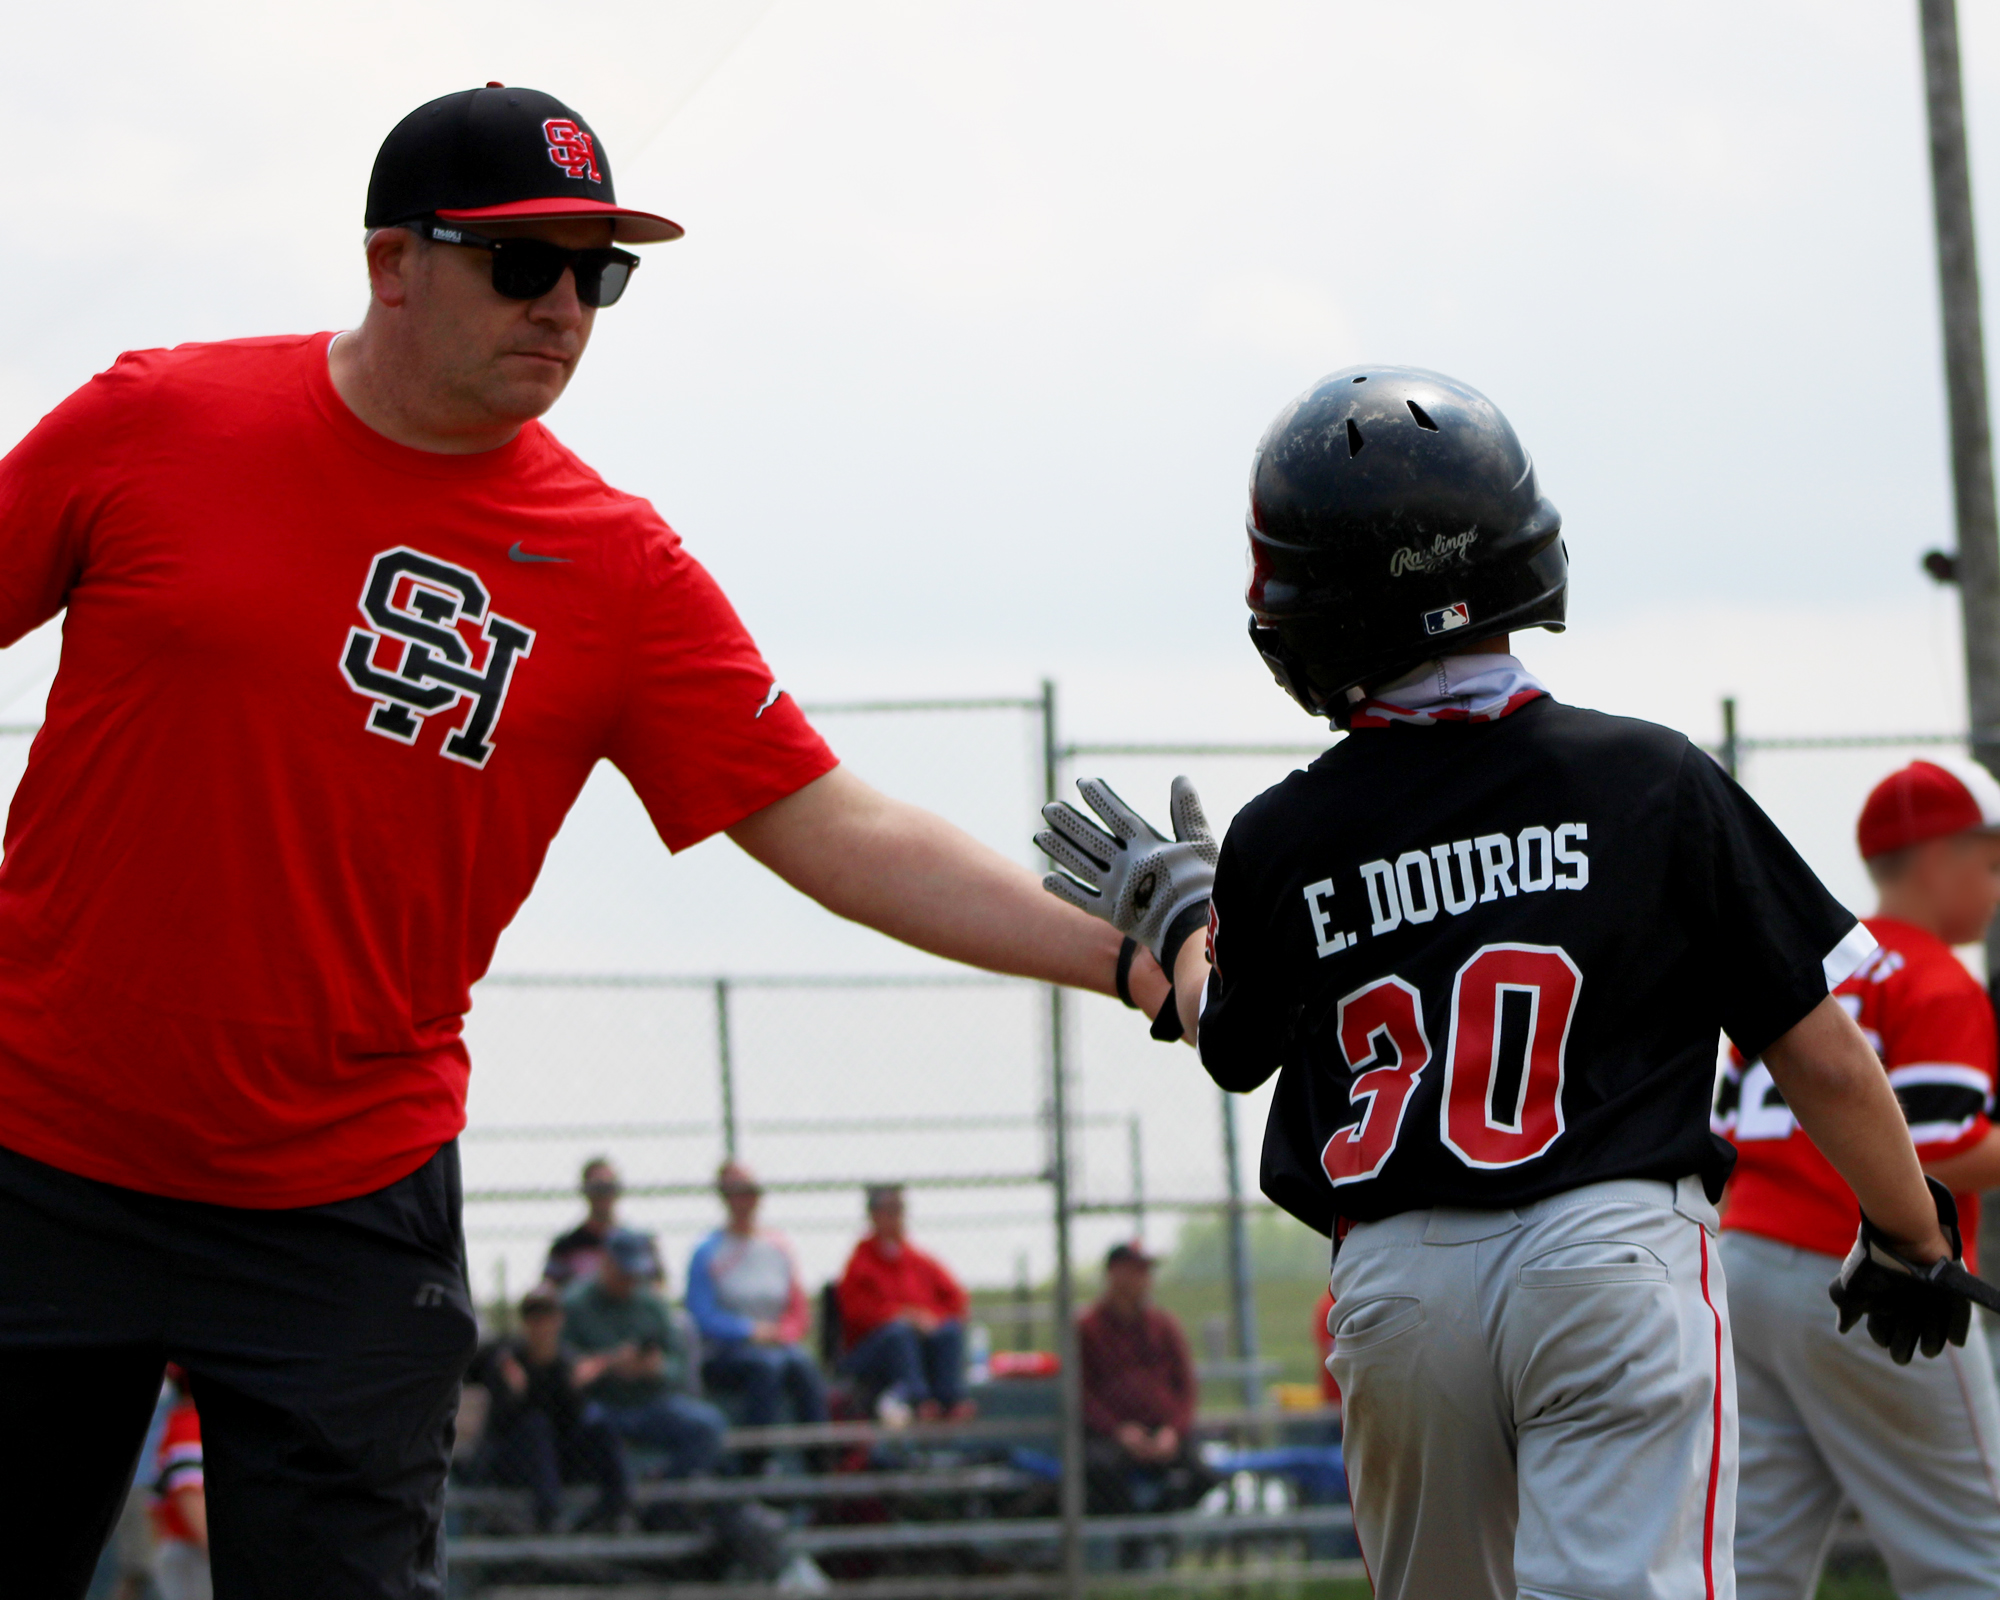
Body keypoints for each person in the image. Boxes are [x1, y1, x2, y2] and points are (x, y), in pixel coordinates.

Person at [3, 83, 1161, 1596]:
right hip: (41, 1148)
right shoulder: (159, 419)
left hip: (339, 1199)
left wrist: (1138, 958)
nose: (564, 304)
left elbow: (832, 821)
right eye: (521, 262)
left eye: (598, 273)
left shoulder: (610, 564)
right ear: (390, 262)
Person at [1035, 365, 1980, 1600]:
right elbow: (1818, 1050)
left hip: (1395, 1287)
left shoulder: (1283, 834)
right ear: (1523, 550)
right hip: (1610, 1250)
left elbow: (1228, 1040)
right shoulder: (1645, 778)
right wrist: (1907, 1237)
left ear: (1300, 616)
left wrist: (1179, 913)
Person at [1715, 758, 2000, 1599]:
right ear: (1936, 859)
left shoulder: (1817, 972)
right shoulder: (1938, 979)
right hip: (1876, 1272)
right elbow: (1936, 1148)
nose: (1995, 886)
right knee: (1974, 1556)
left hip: (1746, 1271)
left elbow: (1730, 1128)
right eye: (1989, 864)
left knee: (1755, 1559)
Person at [562, 1229, 729, 1476]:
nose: (630, 1280)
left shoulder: (652, 1304)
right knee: (582, 1427)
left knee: (707, 1424)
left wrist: (655, 1368)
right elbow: (561, 1366)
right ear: (606, 1263)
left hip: (648, 1403)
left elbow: (678, 1365)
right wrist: (610, 1363)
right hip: (602, 1404)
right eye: (624, 1272)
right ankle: (608, 1504)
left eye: (635, 1273)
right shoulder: (574, 1304)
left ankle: (661, 1496)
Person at [468, 1282, 631, 1532]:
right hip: (514, 1462)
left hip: (559, 1460)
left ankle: (616, 1509)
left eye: (547, 1317)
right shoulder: (508, 1361)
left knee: (601, 1423)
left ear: (559, 1320)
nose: (541, 1325)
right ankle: (548, 1517)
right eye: (534, 1318)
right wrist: (514, 1393)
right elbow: (501, 1426)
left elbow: (570, 1422)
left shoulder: (567, 1364)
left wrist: (575, 1388)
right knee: (536, 1427)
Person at [687, 1161, 828, 1427]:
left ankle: (821, 1455)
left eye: (751, 1191)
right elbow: (701, 1314)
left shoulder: (778, 1247)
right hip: (727, 1350)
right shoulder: (707, 1251)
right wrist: (749, 1330)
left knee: (804, 1365)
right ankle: (758, 1458)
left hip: (778, 1344)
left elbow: (798, 1308)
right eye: (737, 1192)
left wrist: (783, 1332)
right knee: (766, 1366)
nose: (746, 1200)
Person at [1077, 1242, 1211, 1518]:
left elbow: (1186, 1388)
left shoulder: (1163, 1325)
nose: (1144, 1279)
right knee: (1098, 1471)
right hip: (1112, 1437)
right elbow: (1081, 1393)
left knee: (1204, 1475)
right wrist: (1118, 1430)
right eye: (1135, 1270)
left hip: (1162, 1432)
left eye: (1146, 1272)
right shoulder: (1088, 1328)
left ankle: (1158, 1530)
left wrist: (1173, 1430)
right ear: (1114, 1274)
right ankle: (1130, 1543)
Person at [836, 1185, 973, 1422]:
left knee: (948, 1331)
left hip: (921, 1344)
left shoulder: (918, 1259)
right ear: (873, 1215)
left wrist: (932, 1318)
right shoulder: (860, 1262)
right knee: (900, 1333)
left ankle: (950, 1401)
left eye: (899, 1209)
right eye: (888, 1209)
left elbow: (956, 1299)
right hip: (874, 1349)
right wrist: (900, 1315)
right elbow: (855, 1314)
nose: (895, 1216)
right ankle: (918, 1400)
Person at [149, 1371, 209, 1600]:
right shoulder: (190, 1424)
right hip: (193, 1552)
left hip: (185, 1549)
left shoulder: (182, 1421)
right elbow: (189, 1497)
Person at [545, 1157, 640, 1288]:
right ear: (585, 1191)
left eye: (608, 1187)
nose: (603, 1195)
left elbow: (657, 1289)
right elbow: (549, 1288)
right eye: (597, 1189)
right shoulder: (565, 1246)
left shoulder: (638, 1244)